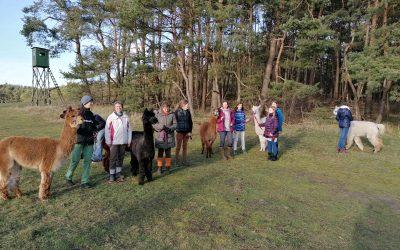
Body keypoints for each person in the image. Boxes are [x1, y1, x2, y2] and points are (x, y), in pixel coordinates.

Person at [65, 95, 98, 188]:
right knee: (75, 160)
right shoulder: (78, 113)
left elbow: (94, 126)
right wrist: (76, 125)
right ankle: (68, 177)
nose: (91, 103)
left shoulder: (91, 115)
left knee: (87, 161)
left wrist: (95, 131)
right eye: (89, 101)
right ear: (84, 103)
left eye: (91, 101)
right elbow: (72, 125)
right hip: (79, 141)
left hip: (89, 141)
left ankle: (85, 181)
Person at [105, 101, 132, 183]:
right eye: (117, 106)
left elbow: (129, 130)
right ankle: (112, 175)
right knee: (113, 158)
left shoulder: (126, 117)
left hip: (123, 141)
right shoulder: (111, 117)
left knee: (121, 158)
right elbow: (107, 130)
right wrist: (108, 141)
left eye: (120, 106)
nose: (118, 108)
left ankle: (118, 173)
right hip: (114, 142)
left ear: (122, 107)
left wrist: (129, 140)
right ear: (114, 107)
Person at [153, 102, 177, 175]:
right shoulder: (157, 115)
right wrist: (161, 127)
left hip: (169, 137)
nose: (166, 109)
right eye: (164, 107)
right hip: (160, 137)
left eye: (167, 107)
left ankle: (168, 168)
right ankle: (159, 168)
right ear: (162, 108)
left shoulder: (172, 114)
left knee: (168, 154)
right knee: (160, 153)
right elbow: (154, 124)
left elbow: (175, 124)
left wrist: (170, 128)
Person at [174, 100, 193, 166]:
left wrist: (190, 131)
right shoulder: (176, 112)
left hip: (187, 132)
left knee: (185, 147)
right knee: (178, 147)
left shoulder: (188, 112)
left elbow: (190, 122)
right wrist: (176, 129)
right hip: (179, 132)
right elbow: (174, 122)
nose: (188, 106)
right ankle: (176, 161)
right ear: (183, 105)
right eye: (187, 104)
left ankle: (184, 161)